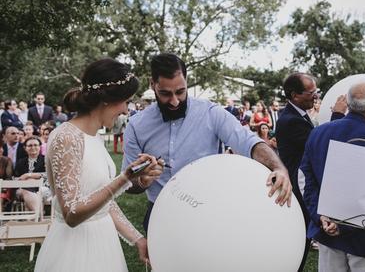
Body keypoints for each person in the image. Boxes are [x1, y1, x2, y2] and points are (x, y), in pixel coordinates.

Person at [122, 53, 292, 233]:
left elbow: (249, 142)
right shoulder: (136, 125)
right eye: (165, 93)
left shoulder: (211, 113)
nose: (174, 101)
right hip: (159, 214)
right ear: (152, 84)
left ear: (186, 81)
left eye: (180, 92)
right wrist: (142, 182)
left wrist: (278, 167)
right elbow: (128, 184)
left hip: (208, 212)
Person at [35, 58, 164, 272]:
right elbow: (72, 213)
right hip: (74, 252)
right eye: (125, 101)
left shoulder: (92, 136)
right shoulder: (67, 138)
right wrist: (124, 179)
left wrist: (138, 239)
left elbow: (103, 201)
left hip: (103, 244)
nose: (126, 109)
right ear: (106, 100)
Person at [301, 82, 365, 272]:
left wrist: (321, 217)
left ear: (349, 104)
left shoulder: (318, 132)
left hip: (326, 230)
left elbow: (305, 179)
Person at [275, 73, 320, 271]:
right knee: (299, 239)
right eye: (311, 92)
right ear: (295, 95)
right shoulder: (291, 121)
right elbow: (317, 144)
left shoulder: (298, 115)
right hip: (296, 187)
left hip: (300, 184)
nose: (316, 96)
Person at [14, 136, 47, 212]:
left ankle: (35, 213)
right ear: (25, 148)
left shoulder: (45, 160)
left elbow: (49, 174)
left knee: (28, 191)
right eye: (30, 145)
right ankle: (38, 213)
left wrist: (29, 175)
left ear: (40, 147)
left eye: (36, 145)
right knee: (24, 190)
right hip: (22, 188)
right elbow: (15, 177)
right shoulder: (20, 162)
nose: (33, 147)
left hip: (42, 187)